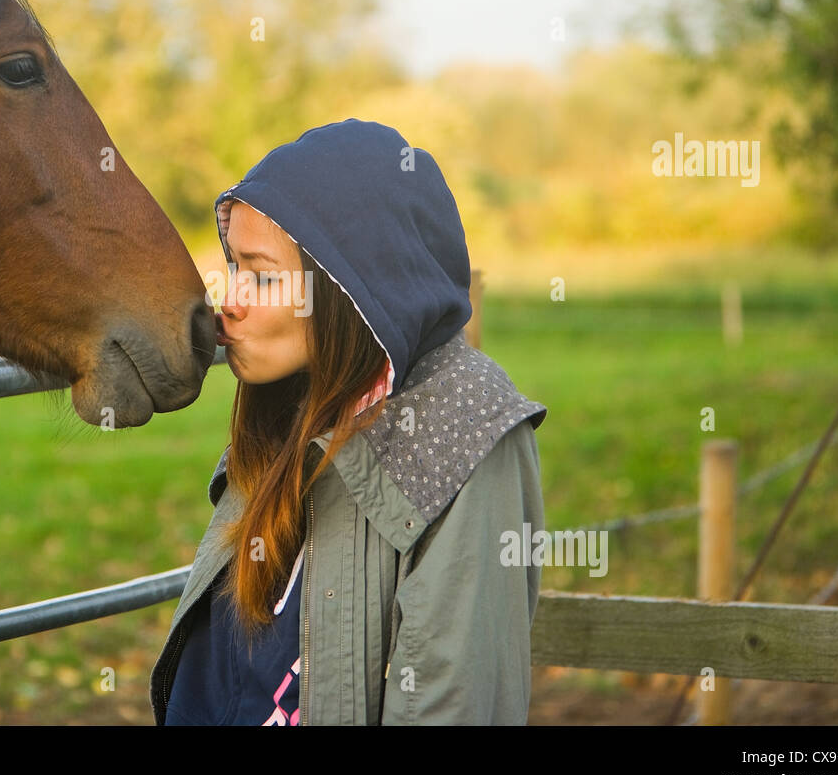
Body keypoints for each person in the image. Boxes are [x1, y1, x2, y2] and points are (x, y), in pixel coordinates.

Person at [149, 118, 547, 725]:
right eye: (234, 268)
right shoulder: (293, 399)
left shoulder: (471, 432)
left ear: (352, 284)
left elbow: (455, 701)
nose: (228, 299)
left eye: (262, 276)